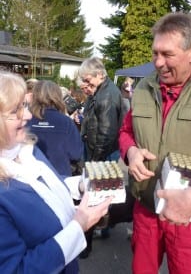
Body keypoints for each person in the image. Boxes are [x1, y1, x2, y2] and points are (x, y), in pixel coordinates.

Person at [119, 12, 191, 274]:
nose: (157, 62)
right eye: (155, 53)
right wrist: (130, 152)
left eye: (167, 54)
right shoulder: (143, 88)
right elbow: (125, 131)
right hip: (145, 209)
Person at [0, 71, 112, 274]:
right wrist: (79, 225)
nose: (26, 115)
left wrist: (80, 184)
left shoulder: (27, 149)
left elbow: (44, 186)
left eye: (24, 106)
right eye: (15, 110)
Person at [78, 57, 124, 257]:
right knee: (104, 190)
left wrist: (94, 161)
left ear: (99, 74)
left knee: (98, 191)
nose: (86, 84)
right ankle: (103, 227)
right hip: (99, 148)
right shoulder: (101, 91)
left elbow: (106, 133)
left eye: (88, 80)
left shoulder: (106, 95)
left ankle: (96, 230)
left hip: (102, 151)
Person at [27, 80, 83, 177]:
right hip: (60, 177)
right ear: (57, 96)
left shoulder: (26, 120)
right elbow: (76, 154)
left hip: (32, 177)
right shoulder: (66, 122)